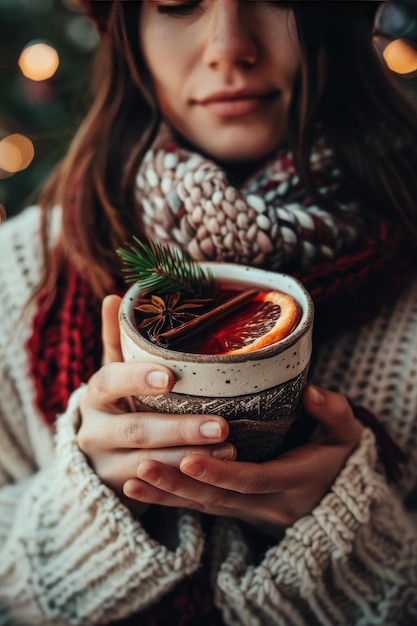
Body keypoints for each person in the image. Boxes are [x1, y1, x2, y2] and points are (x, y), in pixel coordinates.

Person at [1, 1, 417, 624]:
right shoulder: (19, 272)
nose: (230, 45)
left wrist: (349, 538)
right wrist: (86, 505)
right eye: (176, 2)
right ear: (126, 26)